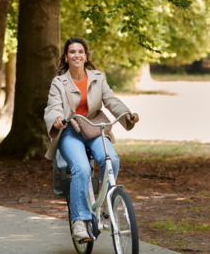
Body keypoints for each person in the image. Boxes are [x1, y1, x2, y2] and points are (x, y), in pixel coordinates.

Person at [44, 37, 140, 241]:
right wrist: (57, 119)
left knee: (111, 159)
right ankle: (79, 221)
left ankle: (105, 203)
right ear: (66, 57)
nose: (76, 55)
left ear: (86, 56)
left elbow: (111, 101)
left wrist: (127, 114)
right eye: (72, 52)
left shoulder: (97, 77)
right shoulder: (58, 82)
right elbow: (53, 107)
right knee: (82, 168)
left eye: (80, 51)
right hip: (70, 130)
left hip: (94, 128)